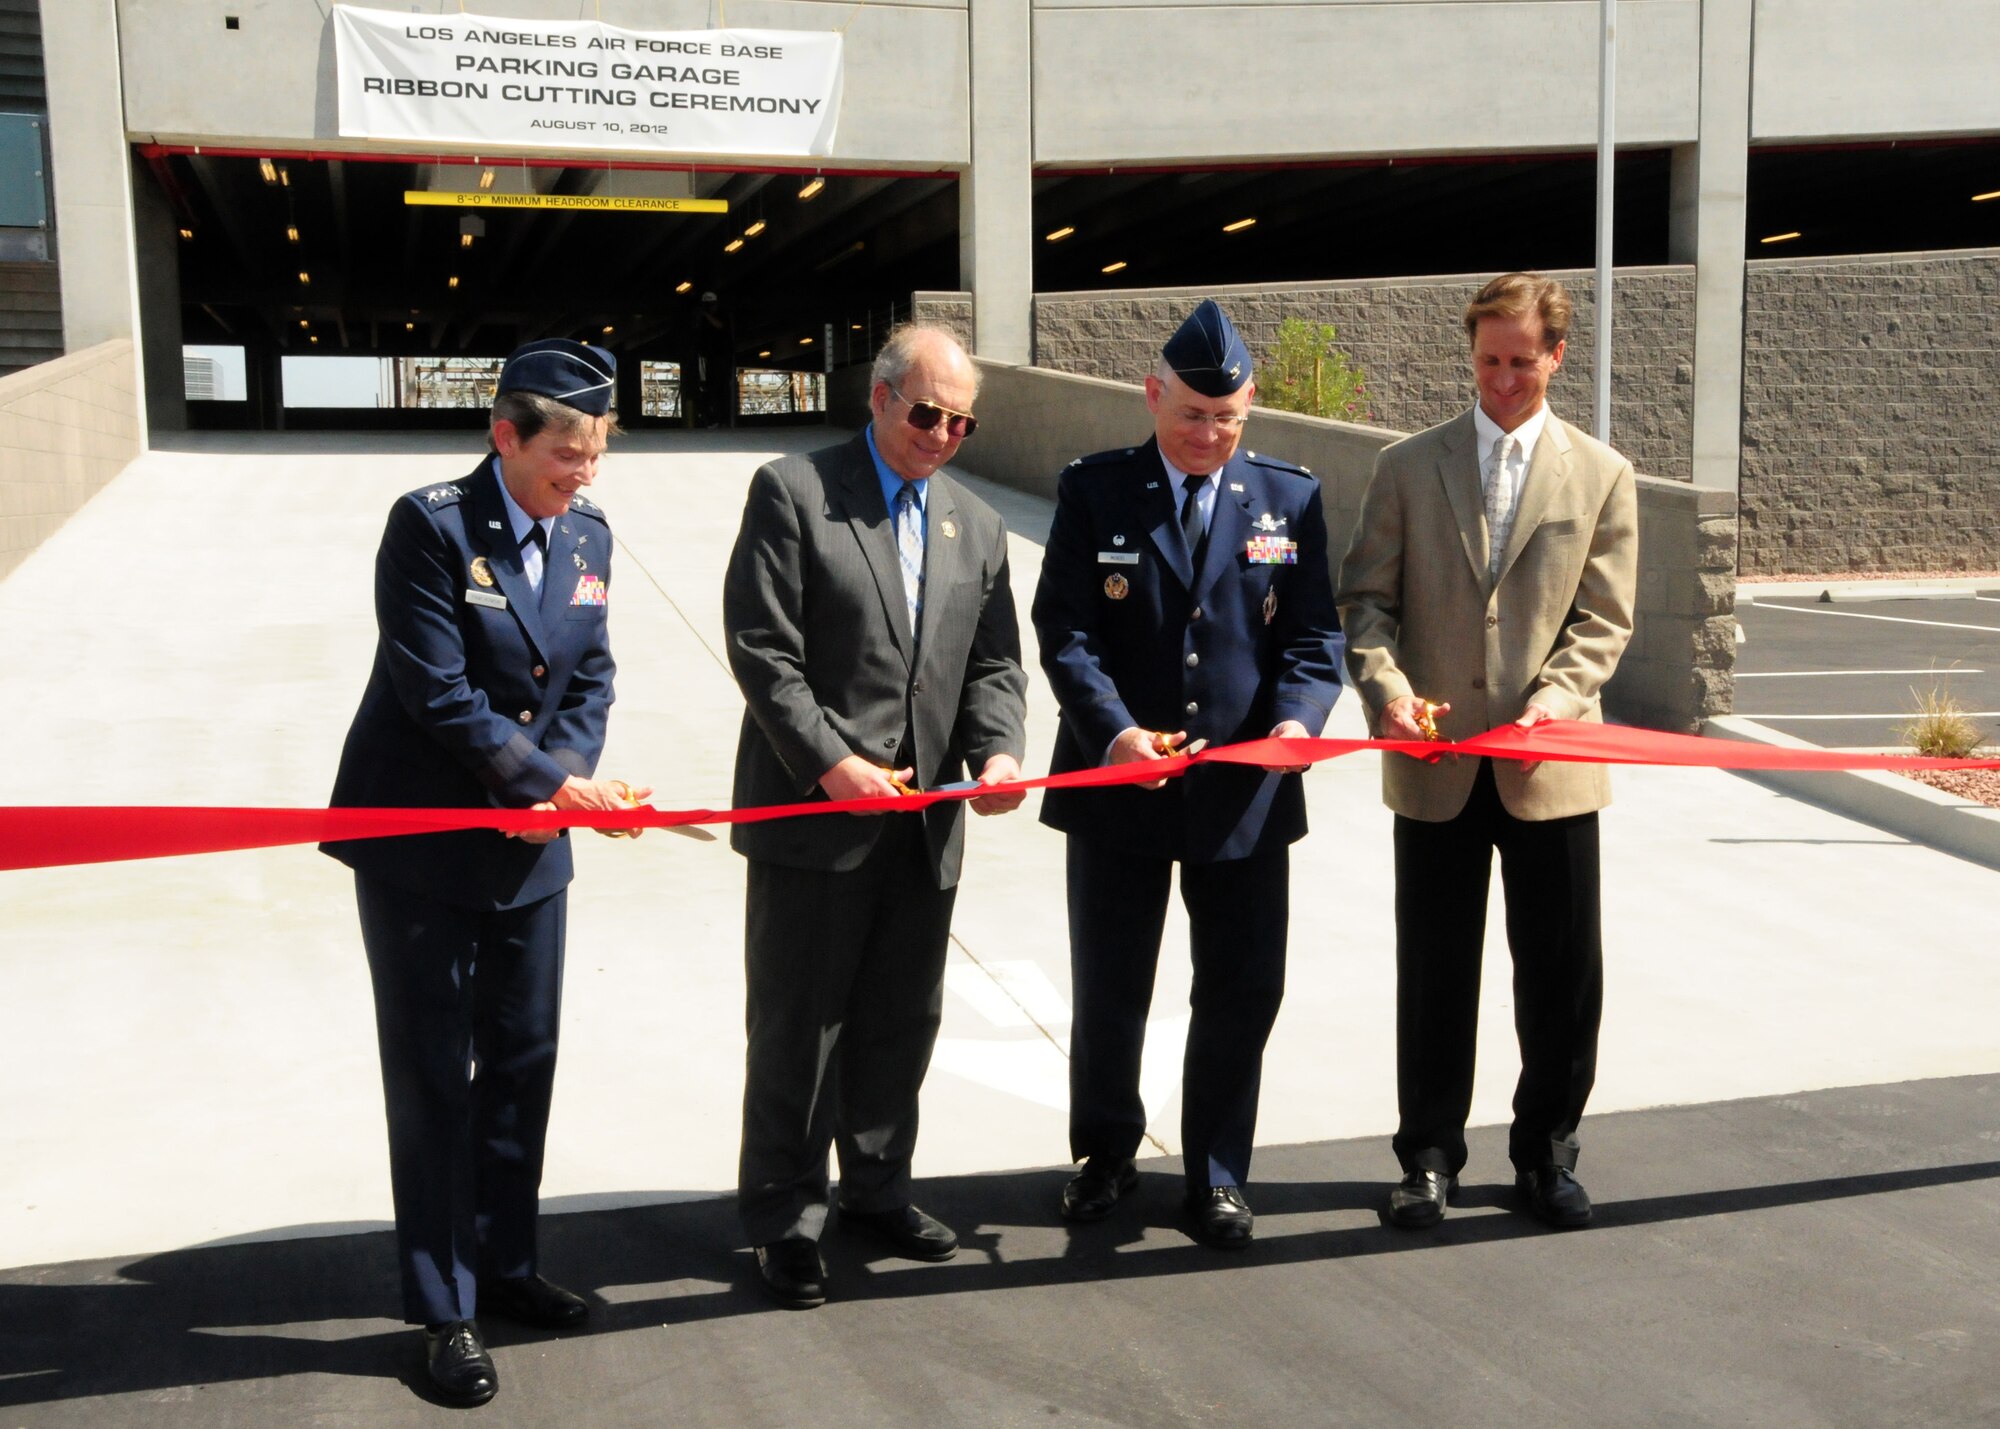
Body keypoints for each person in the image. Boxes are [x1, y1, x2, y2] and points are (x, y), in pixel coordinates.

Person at [323, 339, 649, 1406]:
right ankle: (443, 1307)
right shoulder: (428, 526)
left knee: (522, 1062)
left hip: (532, 848)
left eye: (596, 453)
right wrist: (540, 788)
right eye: (567, 451)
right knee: (432, 1078)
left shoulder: (588, 536)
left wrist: (565, 784)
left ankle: (506, 1265)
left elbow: (591, 675)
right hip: (423, 847)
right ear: (503, 434)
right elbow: (435, 688)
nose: (583, 473)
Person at [722, 323, 1028, 1308]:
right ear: (881, 398)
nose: (941, 434)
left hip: (924, 824)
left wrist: (998, 749)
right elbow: (762, 650)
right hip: (816, 819)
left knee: (902, 1017)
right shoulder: (794, 492)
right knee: (798, 1027)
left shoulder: (975, 527)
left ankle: (877, 1188)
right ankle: (782, 1215)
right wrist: (829, 764)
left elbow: (991, 664)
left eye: (960, 421)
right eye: (926, 412)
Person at [1032, 300, 1344, 1248]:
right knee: (1113, 982)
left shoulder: (1289, 498)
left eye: (1229, 419)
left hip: (1244, 794)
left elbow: (1316, 636)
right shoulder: (1097, 489)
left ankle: (1217, 1171)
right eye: (1191, 417)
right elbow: (1067, 631)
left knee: (1243, 986)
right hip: (1118, 785)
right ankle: (1106, 1152)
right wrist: (1113, 732)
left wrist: (1298, 720)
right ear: (1152, 394)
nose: (1209, 436)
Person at [1336, 271, 1638, 1233]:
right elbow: (1366, 605)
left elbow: (1604, 618)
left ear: (1557, 355)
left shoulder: (1602, 474)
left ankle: (1548, 1153)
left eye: (1522, 360)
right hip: (1435, 767)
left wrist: (1554, 699)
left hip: (1551, 766)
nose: (1504, 378)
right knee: (1434, 973)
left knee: (1560, 976)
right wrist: (1386, 694)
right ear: (1471, 356)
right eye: (1489, 360)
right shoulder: (1405, 466)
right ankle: (1427, 1156)